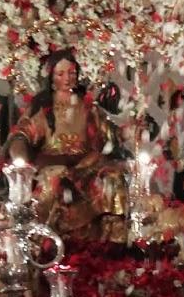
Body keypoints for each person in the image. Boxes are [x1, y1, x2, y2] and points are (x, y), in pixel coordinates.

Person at [6, 50, 115, 238]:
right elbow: (23, 134)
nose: (67, 79)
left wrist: (126, 132)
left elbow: (105, 135)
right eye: (60, 74)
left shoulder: (87, 105)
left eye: (71, 73)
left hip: (86, 164)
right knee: (55, 181)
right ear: (51, 76)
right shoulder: (43, 106)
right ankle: (46, 237)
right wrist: (20, 154)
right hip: (52, 164)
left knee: (113, 179)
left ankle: (110, 236)